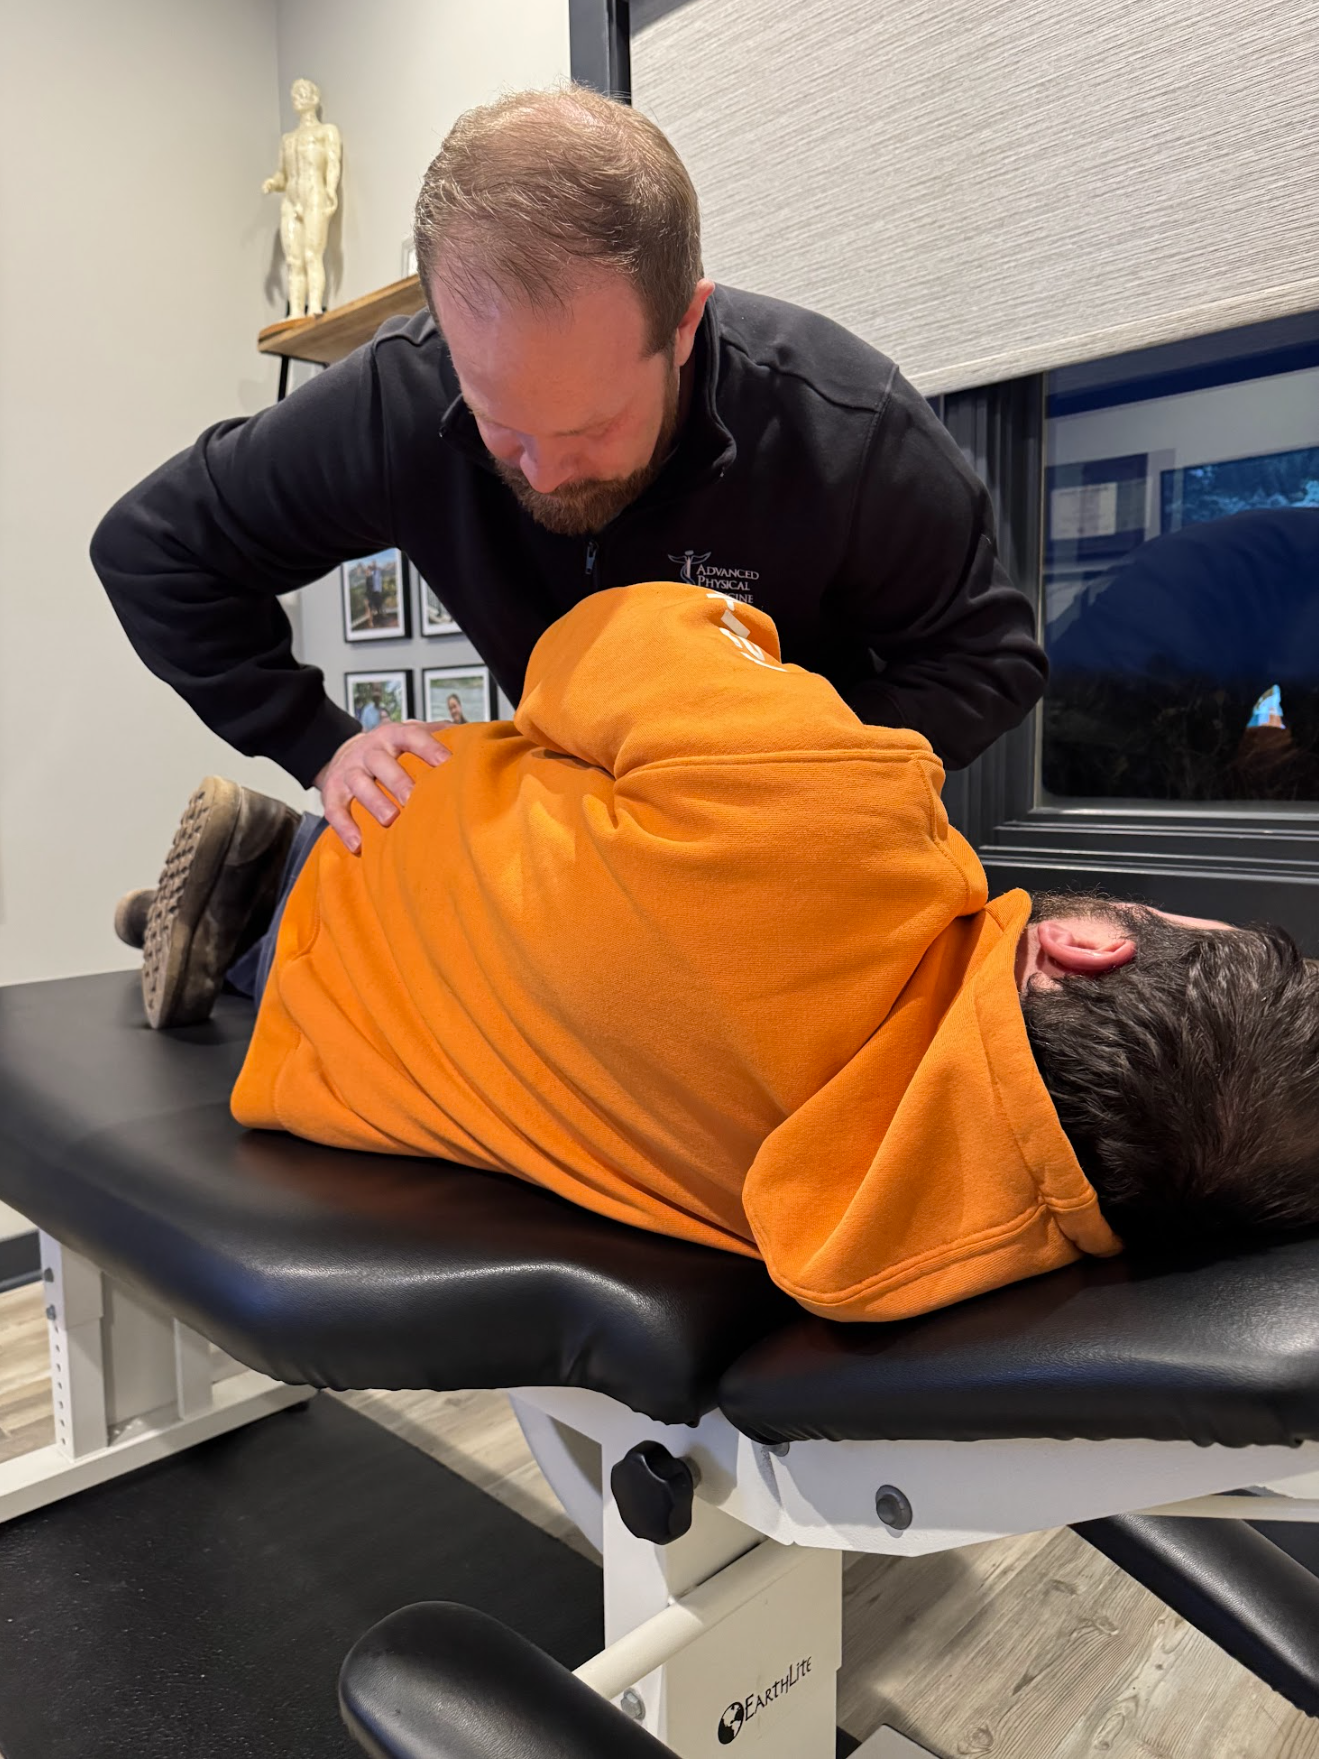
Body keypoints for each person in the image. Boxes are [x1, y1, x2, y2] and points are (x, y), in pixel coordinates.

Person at [114, 584, 1319, 1322]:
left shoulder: (855, 818)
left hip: (381, 871)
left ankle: (262, 874)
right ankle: (234, 922)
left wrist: (761, 674)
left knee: (554, 785)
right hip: (333, 1050)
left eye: (1183, 920)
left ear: (1086, 947)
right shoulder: (936, 1225)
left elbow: (595, 638)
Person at [92, 84, 1045, 860]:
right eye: (500, 426)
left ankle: (259, 895)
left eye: (590, 426)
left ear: (682, 324)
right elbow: (154, 549)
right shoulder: (401, 397)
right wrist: (319, 742)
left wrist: (790, 765)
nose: (544, 475)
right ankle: (267, 901)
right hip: (573, 834)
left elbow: (989, 660)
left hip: (796, 836)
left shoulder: (845, 427)